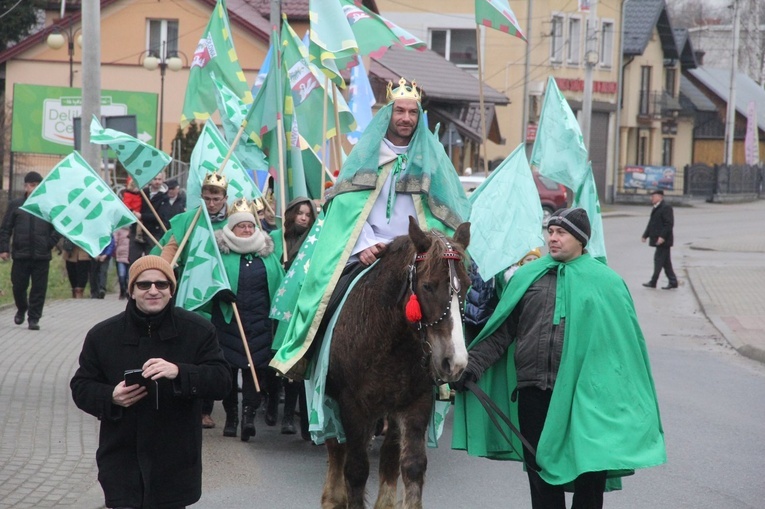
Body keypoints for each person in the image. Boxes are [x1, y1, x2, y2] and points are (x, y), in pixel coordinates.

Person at [452, 208, 666, 509]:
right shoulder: (528, 277)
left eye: (561, 232)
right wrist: (471, 366)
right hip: (534, 392)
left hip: (588, 397)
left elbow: (623, 345)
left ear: (580, 239)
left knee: (590, 472)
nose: (552, 238)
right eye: (550, 232)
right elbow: (502, 332)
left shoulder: (606, 282)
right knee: (541, 477)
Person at [270, 77, 470, 379]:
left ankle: (444, 369)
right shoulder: (366, 155)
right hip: (367, 248)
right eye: (399, 111)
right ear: (387, 114)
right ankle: (309, 356)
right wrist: (364, 245)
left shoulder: (434, 158)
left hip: (417, 252)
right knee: (319, 291)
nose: (405, 118)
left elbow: (444, 213)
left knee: (448, 300)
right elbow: (346, 209)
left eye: (412, 112)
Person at [70, 255, 231, 509]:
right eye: (144, 285)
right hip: (121, 457)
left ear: (171, 290)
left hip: (175, 459)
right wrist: (110, 396)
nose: (153, 291)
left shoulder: (198, 330)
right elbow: (81, 386)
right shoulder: (103, 335)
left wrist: (180, 371)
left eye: (161, 284)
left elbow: (222, 381)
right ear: (132, 290)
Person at [155, 172, 229, 428]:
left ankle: (206, 409)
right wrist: (163, 272)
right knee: (189, 347)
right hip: (191, 292)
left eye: (216, 198)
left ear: (225, 198)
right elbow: (170, 248)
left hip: (220, 296)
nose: (211, 203)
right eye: (206, 197)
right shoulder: (190, 219)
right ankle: (185, 401)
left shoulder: (236, 221)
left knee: (212, 352)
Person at [207, 199, 284, 441]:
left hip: (259, 321)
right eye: (242, 227)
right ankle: (231, 417)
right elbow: (207, 280)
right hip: (229, 321)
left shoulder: (267, 252)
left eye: (251, 226)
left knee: (255, 369)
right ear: (232, 228)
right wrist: (218, 291)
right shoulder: (220, 252)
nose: (248, 231)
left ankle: (249, 417)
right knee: (229, 369)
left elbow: (280, 284)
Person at [270, 197, 318, 436]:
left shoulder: (313, 242)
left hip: (298, 307)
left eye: (308, 215)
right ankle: (272, 407)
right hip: (275, 307)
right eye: (300, 213)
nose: (303, 218)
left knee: (297, 365)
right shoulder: (277, 238)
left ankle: (296, 418)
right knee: (274, 364)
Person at [0, 171, 61, 330]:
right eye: (31, 185)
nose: (34, 189)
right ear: (26, 186)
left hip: (42, 255)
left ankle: (34, 318)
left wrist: (49, 243)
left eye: (38, 186)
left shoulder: (48, 205)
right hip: (21, 254)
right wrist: (4, 248)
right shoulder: (17, 205)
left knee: (39, 289)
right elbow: (6, 228)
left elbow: (58, 227)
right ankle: (21, 308)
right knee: (18, 286)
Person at [641, 189, 677, 289]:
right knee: (666, 263)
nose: (651, 198)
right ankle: (673, 281)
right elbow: (651, 223)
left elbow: (669, 224)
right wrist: (645, 235)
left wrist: (662, 237)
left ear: (660, 197)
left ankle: (653, 282)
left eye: (653, 196)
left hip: (664, 241)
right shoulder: (656, 207)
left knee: (658, 260)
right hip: (659, 240)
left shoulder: (666, 208)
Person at [129, 172, 167, 264]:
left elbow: (160, 216)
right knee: (133, 259)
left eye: (159, 179)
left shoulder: (164, 196)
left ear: (163, 180)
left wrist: (142, 216)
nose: (157, 182)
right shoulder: (142, 192)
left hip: (153, 232)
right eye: (155, 179)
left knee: (151, 261)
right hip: (137, 230)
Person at [89, 235, 115, 299]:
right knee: (93, 273)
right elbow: (89, 243)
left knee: (103, 272)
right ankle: (94, 291)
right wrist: (94, 254)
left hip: (105, 256)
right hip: (94, 256)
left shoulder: (108, 232)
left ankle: (102, 289)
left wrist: (106, 255)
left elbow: (111, 244)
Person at [113, 226, 130, 299]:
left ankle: (128, 291)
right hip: (120, 257)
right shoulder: (119, 230)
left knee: (129, 276)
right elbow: (114, 242)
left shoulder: (134, 231)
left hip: (131, 257)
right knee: (121, 275)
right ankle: (122, 290)